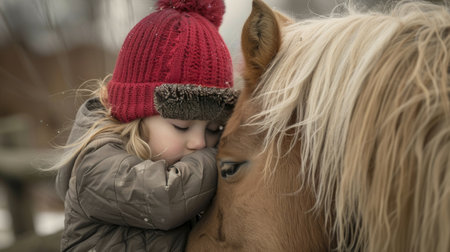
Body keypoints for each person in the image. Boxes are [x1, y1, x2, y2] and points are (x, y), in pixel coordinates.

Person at [52, 0, 239, 251]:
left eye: (213, 130)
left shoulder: (192, 176)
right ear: (134, 116)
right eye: (181, 126)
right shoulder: (95, 167)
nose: (200, 143)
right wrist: (224, 159)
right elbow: (167, 198)